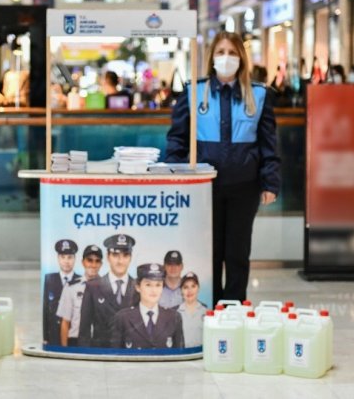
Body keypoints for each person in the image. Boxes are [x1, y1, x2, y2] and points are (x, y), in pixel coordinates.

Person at [165, 31, 280, 304]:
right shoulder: (194, 92)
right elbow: (177, 139)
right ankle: (213, 310)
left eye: (232, 52)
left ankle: (235, 309)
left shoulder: (259, 95)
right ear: (211, 57)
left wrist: (270, 182)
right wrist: (177, 174)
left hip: (245, 186)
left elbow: (268, 144)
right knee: (211, 253)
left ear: (241, 57)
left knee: (238, 253)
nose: (226, 58)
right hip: (205, 188)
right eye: (220, 52)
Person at [78, 234, 137, 347]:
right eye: (115, 255)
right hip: (101, 355)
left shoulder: (138, 288)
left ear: (131, 258)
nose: (120, 261)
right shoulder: (93, 287)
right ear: (108, 256)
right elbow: (84, 331)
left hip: (131, 355)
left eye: (125, 255)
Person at [110, 263, 184, 350]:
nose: (153, 290)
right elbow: (115, 357)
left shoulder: (174, 317)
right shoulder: (123, 318)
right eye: (148, 285)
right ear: (138, 287)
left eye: (158, 285)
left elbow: (180, 356)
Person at [56, 244, 103, 347]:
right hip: (75, 341)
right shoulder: (71, 287)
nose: (93, 264)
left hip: (99, 341)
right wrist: (65, 351)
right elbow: (65, 322)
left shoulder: (106, 288)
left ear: (101, 264)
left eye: (97, 261)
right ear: (83, 262)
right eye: (89, 260)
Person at [43, 239, 81, 346]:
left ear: (75, 259)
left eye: (70, 257)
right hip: (53, 334)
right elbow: (46, 309)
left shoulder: (81, 280)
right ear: (58, 258)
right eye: (63, 257)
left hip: (73, 335)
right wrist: (45, 336)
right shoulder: (49, 279)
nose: (66, 261)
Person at [176, 272, 207, 347]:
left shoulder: (206, 312)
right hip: (182, 355)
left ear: (198, 288)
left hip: (201, 355)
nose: (189, 291)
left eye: (193, 286)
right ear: (181, 290)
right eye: (186, 287)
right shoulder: (175, 313)